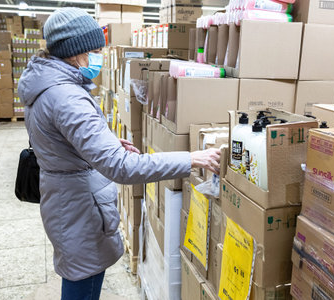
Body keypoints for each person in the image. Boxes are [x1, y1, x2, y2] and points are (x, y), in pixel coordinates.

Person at [18, 7, 221, 300]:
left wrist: (106, 143)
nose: (99, 57)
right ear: (76, 52)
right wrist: (190, 159)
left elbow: (61, 140)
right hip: (78, 209)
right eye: (96, 50)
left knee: (78, 275)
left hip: (65, 200)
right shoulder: (66, 97)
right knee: (83, 284)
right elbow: (122, 168)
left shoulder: (46, 84)